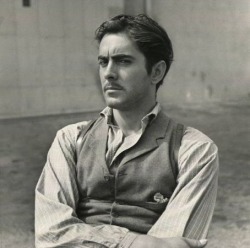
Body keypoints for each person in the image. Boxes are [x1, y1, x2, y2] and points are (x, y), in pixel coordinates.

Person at [35, 14, 219, 248]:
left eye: (123, 61)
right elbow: (51, 234)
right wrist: (131, 242)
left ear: (156, 72)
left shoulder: (195, 150)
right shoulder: (71, 140)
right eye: (103, 62)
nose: (108, 73)